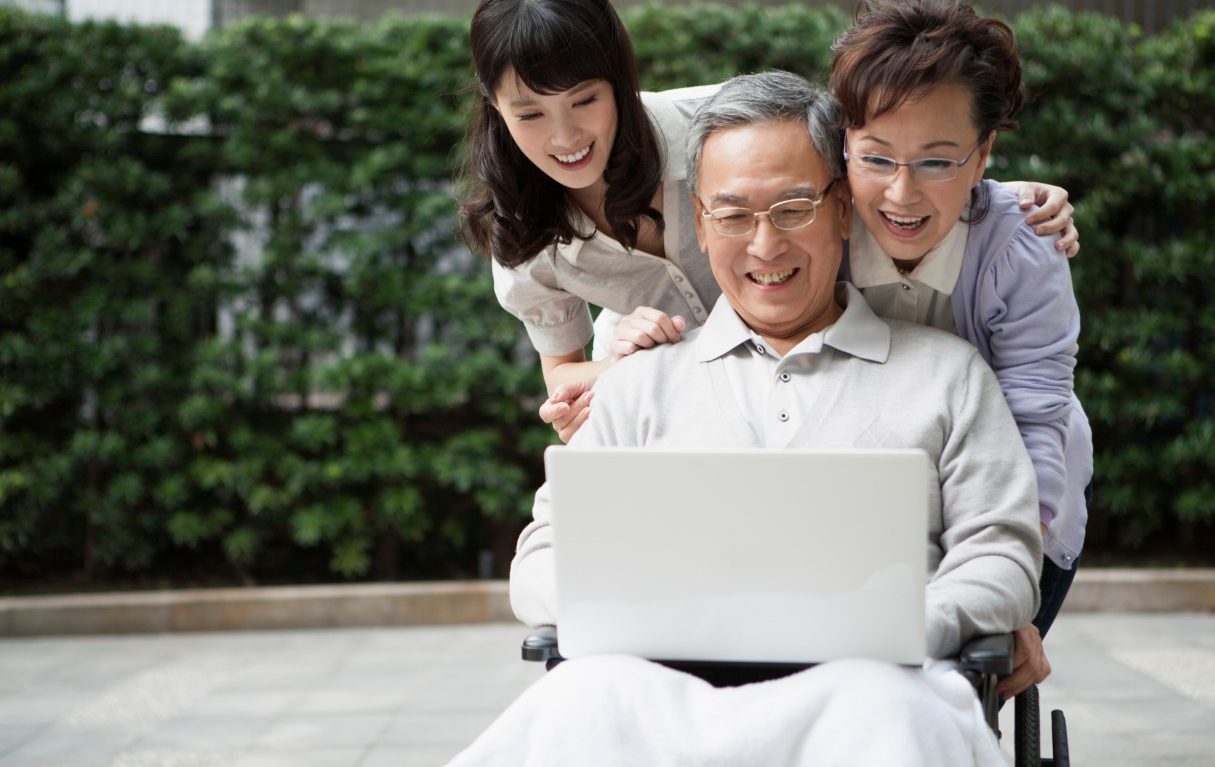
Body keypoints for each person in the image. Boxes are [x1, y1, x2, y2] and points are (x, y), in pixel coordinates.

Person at [449, 71, 1040, 767]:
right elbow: (539, 558)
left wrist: (912, 621)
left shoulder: (946, 375)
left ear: (845, 208)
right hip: (660, 692)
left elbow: (1001, 553)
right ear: (700, 223)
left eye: (793, 208)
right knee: (582, 699)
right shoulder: (638, 386)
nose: (764, 245)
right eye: (732, 216)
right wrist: (639, 609)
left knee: (885, 709)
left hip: (870, 688)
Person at [458, 0, 1080, 442]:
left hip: (823, 384)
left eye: (585, 101)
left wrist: (994, 199)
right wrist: (623, 376)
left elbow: (875, 141)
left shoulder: (722, 126)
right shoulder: (520, 229)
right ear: (494, 105)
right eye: (529, 113)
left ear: (620, 82)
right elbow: (563, 376)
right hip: (690, 402)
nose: (565, 137)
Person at [827, 0, 1093, 694]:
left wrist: (1013, 589)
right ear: (842, 145)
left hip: (1020, 501)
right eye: (876, 157)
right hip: (870, 510)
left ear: (983, 156)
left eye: (937, 161)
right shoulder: (817, 228)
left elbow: (1037, 420)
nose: (901, 192)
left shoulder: (1021, 251)